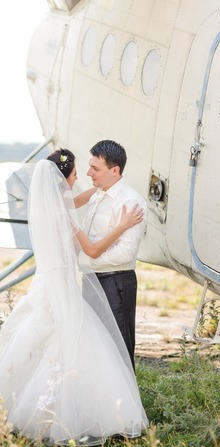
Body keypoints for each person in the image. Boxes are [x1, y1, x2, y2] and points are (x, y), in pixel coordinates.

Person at [0, 149, 148, 446]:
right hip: (60, 288)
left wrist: (101, 186)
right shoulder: (64, 216)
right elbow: (91, 251)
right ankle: (67, 412)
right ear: (62, 178)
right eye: (77, 173)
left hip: (49, 285)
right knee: (69, 345)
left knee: (40, 342)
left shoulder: (52, 204)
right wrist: (121, 226)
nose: (83, 176)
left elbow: (77, 199)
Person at [78, 140, 147, 369]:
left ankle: (124, 403)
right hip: (92, 280)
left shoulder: (131, 201)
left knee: (118, 349)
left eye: (95, 169)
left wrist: (89, 259)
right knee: (93, 344)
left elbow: (125, 254)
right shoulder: (98, 193)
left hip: (115, 283)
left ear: (114, 170)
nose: (89, 173)